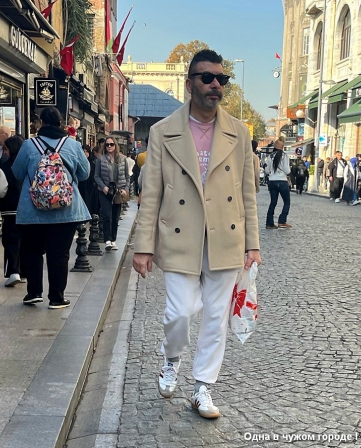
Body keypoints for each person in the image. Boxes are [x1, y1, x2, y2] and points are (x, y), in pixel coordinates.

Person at [132, 49, 261, 419]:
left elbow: (247, 192)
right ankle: (171, 359)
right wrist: (143, 247)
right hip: (179, 235)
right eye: (207, 78)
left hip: (226, 237)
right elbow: (151, 193)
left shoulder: (239, 132)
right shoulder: (162, 131)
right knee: (179, 311)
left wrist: (253, 244)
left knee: (216, 319)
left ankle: (203, 387)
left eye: (222, 79)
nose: (215, 84)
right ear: (190, 84)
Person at [12, 106, 91, 308]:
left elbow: (17, 172)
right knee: (59, 254)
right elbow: (85, 174)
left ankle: (33, 293)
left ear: (41, 123)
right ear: (60, 123)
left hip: (33, 210)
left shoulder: (29, 145)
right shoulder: (73, 145)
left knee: (32, 251)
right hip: (66, 210)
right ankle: (56, 297)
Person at [0, 135, 26, 287]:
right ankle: (24, 271)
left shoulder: (5, 167)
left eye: (6, 149)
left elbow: (0, 189)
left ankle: (13, 271)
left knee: (11, 240)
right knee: (24, 241)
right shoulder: (27, 165)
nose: (4, 152)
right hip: (26, 210)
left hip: (10, 210)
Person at [94, 136, 129, 251]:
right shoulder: (100, 159)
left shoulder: (122, 159)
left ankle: (113, 239)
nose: (109, 146)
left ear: (115, 145)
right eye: (107, 144)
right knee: (107, 215)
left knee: (115, 216)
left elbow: (127, 176)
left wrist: (125, 189)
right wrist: (103, 187)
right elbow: (96, 176)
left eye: (111, 144)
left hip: (117, 190)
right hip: (105, 190)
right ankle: (107, 240)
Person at [266, 136, 292, 228]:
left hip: (272, 181)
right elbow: (287, 171)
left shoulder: (270, 156)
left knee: (273, 202)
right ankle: (282, 221)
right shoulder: (284, 156)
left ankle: (269, 223)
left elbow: (267, 171)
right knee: (287, 202)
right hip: (282, 181)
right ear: (282, 147)